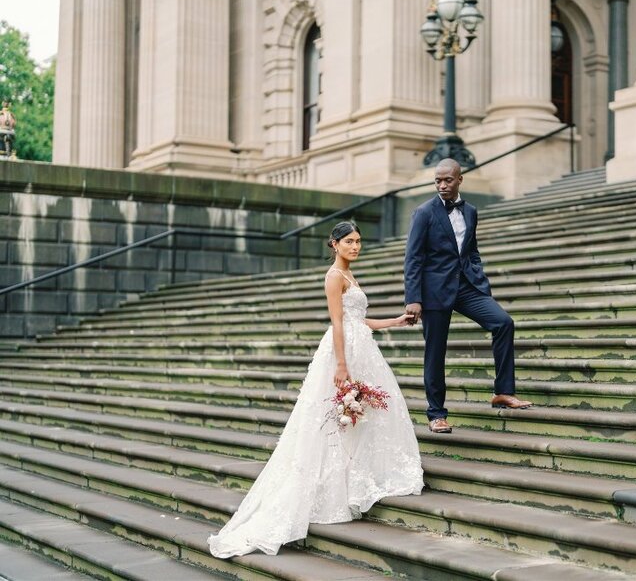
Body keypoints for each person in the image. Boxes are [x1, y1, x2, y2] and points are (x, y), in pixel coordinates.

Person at [208, 221, 423, 559]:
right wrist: (341, 365)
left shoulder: (350, 275)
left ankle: (354, 482)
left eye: (358, 241)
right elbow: (338, 322)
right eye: (348, 242)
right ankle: (328, 490)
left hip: (361, 347)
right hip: (342, 352)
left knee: (361, 416)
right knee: (336, 419)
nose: (355, 246)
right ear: (333, 244)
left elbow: (358, 321)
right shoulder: (334, 277)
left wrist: (395, 321)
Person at [404, 158, 533, 434]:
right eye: (437, 180)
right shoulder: (424, 212)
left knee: (503, 322)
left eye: (447, 180)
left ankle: (503, 392)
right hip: (434, 292)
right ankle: (436, 413)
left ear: (459, 179)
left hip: (466, 287)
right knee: (435, 353)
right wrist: (413, 298)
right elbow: (413, 259)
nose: (441, 185)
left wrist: (479, 279)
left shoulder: (471, 211)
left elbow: (471, 249)